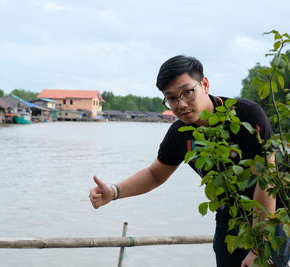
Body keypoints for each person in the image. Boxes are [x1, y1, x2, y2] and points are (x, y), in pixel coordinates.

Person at [89, 55, 290, 267]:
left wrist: (258, 246)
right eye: (172, 98)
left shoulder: (246, 114)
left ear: (204, 84)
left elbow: (266, 179)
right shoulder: (180, 133)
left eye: (187, 92)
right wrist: (114, 191)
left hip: (275, 207)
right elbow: (155, 174)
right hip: (229, 211)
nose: (181, 104)